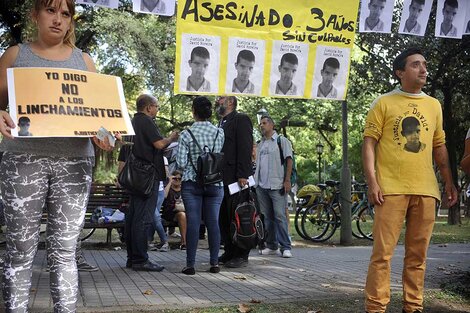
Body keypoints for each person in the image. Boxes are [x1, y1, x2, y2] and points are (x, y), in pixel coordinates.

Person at [0, 0, 114, 311]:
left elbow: (98, 117)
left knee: (64, 250)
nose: (58, 20)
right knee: (20, 248)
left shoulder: (84, 61)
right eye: (51, 11)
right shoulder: (15, 55)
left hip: (75, 163)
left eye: (65, 14)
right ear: (34, 15)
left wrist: (105, 136)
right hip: (23, 160)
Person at [362, 47, 458, 313]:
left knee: (418, 257)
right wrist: (373, 182)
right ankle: (375, 308)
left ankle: (413, 307)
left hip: (426, 190)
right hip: (390, 189)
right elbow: (369, 144)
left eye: (424, 64)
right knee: (382, 255)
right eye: (416, 64)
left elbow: (439, 146)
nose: (423, 69)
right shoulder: (383, 103)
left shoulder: (434, 105)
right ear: (400, 72)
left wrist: (449, 182)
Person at [124, 94, 178, 271]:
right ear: (148, 107)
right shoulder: (146, 121)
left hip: (136, 176)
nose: (157, 110)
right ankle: (140, 259)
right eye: (157, 107)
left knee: (133, 216)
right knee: (143, 218)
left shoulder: (132, 122)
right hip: (148, 177)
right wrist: (171, 138)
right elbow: (159, 144)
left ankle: (132, 257)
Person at [176, 96, 224, 275]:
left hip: (192, 183)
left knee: (193, 222)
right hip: (215, 182)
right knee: (213, 222)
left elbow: (181, 163)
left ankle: (190, 265)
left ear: (193, 111)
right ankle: (214, 263)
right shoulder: (220, 132)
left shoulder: (186, 134)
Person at [215, 96, 254, 268]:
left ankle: (241, 254)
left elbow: (245, 147)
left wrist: (243, 174)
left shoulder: (241, 119)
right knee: (225, 216)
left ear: (230, 102)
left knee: (239, 215)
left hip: (236, 178)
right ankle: (229, 250)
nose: (217, 101)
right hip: (222, 178)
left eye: (220, 98)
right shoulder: (221, 122)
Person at [255, 116, 293, 258]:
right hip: (262, 186)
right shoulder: (261, 144)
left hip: (277, 184)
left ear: (272, 125)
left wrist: (287, 180)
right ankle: (271, 245)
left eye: (264, 123)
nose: (262, 126)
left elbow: (289, 161)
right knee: (267, 217)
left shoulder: (281, 141)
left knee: (279, 216)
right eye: (260, 124)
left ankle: (286, 246)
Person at [161, 170, 187, 250]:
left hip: (183, 212)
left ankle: (185, 241)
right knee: (182, 215)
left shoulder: (184, 189)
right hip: (170, 213)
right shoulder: (168, 188)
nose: (177, 180)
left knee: (183, 215)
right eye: (175, 178)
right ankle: (184, 242)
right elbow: (164, 196)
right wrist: (169, 182)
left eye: (179, 178)